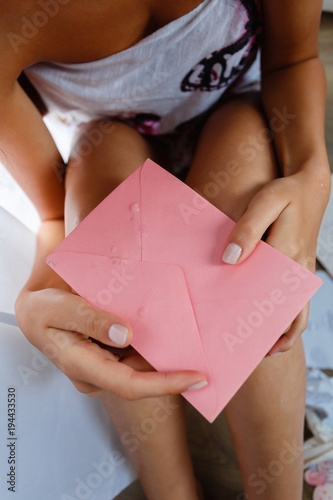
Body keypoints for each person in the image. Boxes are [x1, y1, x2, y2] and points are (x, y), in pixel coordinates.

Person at [0, 1, 331, 498]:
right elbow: (52, 211)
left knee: (244, 280)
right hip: (104, 139)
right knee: (116, 289)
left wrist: (312, 174)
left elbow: (293, 59)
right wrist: (40, 290)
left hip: (234, 112)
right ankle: (171, 492)